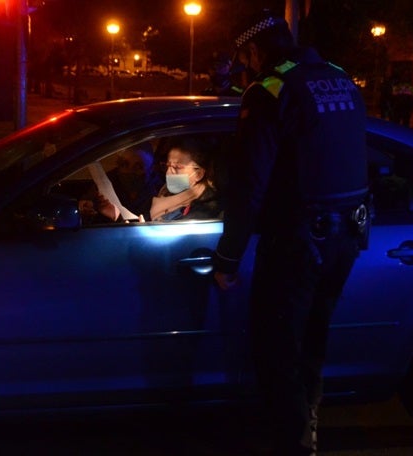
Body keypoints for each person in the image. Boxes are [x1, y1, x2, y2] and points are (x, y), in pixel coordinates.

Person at [211, 9, 370, 455]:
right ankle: (309, 425)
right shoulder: (340, 80)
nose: (245, 68)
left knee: (277, 351)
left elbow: (249, 187)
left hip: (297, 244)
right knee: (312, 340)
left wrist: (228, 258)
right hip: (345, 239)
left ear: (253, 50)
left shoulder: (269, 91)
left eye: (244, 59)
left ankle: (294, 444)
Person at [93, 137, 222, 222]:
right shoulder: (166, 194)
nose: (168, 172)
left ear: (199, 174)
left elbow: (168, 248)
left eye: (177, 167)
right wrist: (117, 216)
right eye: (167, 166)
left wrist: (143, 232)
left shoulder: (204, 209)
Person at [82, 142, 162, 223]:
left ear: (151, 168)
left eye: (138, 167)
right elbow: (87, 208)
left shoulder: (160, 190)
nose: (130, 171)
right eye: (124, 165)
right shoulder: (105, 183)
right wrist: (88, 208)